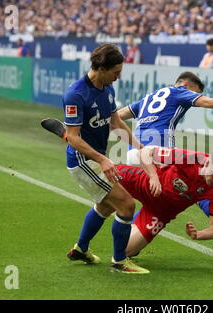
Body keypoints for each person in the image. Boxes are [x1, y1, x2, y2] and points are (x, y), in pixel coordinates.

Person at [42, 71, 213, 251]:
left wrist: (77, 129)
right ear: (186, 86)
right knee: (199, 185)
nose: (193, 100)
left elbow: (114, 118)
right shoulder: (181, 93)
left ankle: (67, 135)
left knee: (113, 203)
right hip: (155, 156)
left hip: (134, 155)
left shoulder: (149, 98)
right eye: (195, 94)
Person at [62, 43, 149, 274]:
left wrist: (139, 147)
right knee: (127, 204)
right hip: (83, 161)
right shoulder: (76, 94)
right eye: (115, 72)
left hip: (96, 158)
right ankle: (120, 261)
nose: (118, 77)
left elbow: (115, 122)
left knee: (105, 205)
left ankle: (81, 248)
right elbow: (72, 137)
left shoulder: (108, 90)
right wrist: (102, 160)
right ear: (101, 68)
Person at [120, 145, 213, 257]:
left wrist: (197, 235)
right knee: (107, 177)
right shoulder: (190, 158)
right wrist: (153, 177)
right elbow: (145, 152)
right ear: (208, 162)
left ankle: (132, 231)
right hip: (145, 185)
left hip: (160, 213)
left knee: (125, 251)